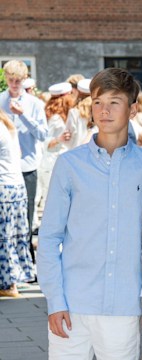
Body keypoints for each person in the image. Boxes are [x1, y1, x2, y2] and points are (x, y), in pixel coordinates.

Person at [37, 68, 142, 359]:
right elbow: (48, 237)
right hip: (71, 306)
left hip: (122, 307)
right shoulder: (69, 165)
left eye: (114, 102)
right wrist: (55, 301)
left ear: (132, 109)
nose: (104, 110)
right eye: (98, 101)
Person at [0, 60, 47, 266]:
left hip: (27, 166)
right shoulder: (0, 100)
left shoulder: (34, 104)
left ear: (24, 79)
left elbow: (43, 134)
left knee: (26, 216)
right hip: (3, 168)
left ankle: (26, 261)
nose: (14, 84)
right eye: (10, 80)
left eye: (18, 80)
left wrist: (23, 116)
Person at [0, 110, 35, 297]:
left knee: (4, 237)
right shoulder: (7, 124)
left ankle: (8, 284)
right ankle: (15, 278)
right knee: (14, 235)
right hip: (16, 185)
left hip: (3, 187)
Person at [37, 82, 74, 208]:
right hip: (51, 162)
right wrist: (60, 139)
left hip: (59, 161)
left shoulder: (65, 115)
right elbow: (44, 142)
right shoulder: (56, 119)